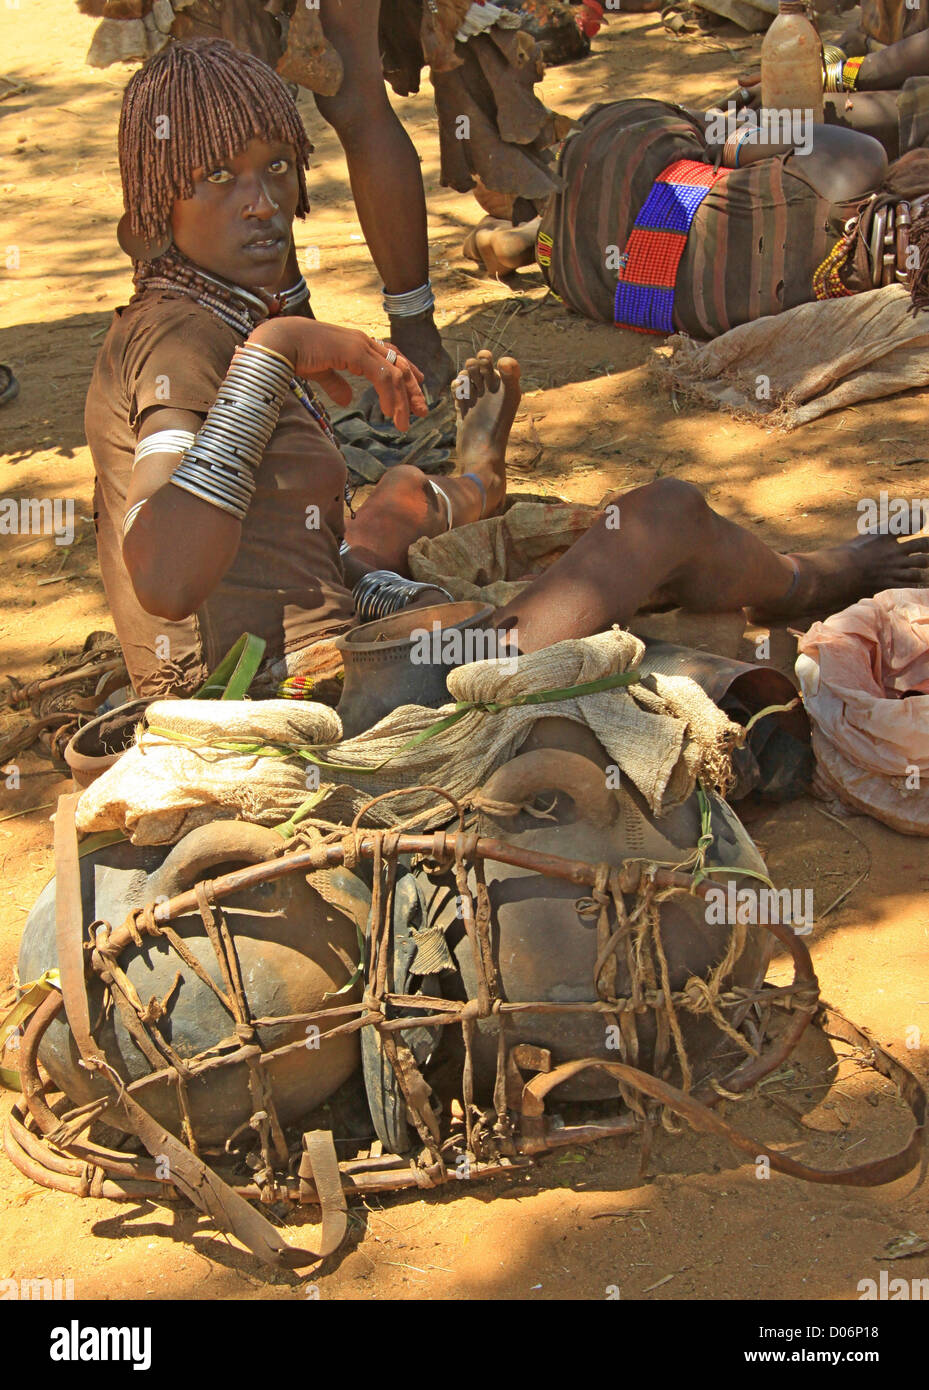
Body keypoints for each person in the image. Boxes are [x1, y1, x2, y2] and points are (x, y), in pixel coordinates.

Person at [86, 39, 929, 706]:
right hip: (310, 696)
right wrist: (274, 357)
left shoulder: (196, 315)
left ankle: (473, 480)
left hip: (320, 649)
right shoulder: (186, 342)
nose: (263, 200)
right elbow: (165, 577)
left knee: (393, 503)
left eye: (275, 165)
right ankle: (805, 581)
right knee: (659, 518)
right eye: (216, 177)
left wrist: (383, 588)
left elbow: (285, 565)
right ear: (157, 198)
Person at [463, 90, 929, 337]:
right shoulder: (849, 313)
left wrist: (715, 119)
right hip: (588, 284)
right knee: (691, 219)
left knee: (689, 143)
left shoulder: (857, 161)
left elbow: (723, 136)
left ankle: (543, 206)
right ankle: (534, 236)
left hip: (612, 162)